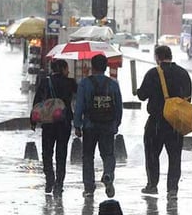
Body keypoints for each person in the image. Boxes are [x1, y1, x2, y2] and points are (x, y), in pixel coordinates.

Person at [136, 45, 192, 199]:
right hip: (176, 123)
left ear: (157, 57)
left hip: (156, 121)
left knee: (152, 154)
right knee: (175, 157)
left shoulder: (153, 73)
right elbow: (187, 95)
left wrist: (139, 91)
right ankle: (172, 189)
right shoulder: (183, 74)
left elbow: (142, 95)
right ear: (170, 56)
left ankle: (152, 185)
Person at [74, 54, 123, 198]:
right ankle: (108, 174)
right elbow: (119, 106)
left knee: (88, 156)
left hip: (90, 125)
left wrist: (77, 125)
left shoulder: (85, 83)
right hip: (108, 125)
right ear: (106, 67)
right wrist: (116, 123)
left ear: (92, 66)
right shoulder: (113, 84)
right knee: (108, 155)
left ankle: (89, 187)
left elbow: (79, 106)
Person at [31, 59, 77, 197]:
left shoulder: (45, 82)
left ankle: (49, 179)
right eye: (67, 68)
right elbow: (79, 96)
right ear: (62, 68)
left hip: (48, 122)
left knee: (47, 152)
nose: (68, 71)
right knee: (61, 153)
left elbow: (37, 101)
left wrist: (32, 120)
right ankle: (59, 184)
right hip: (64, 122)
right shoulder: (70, 82)